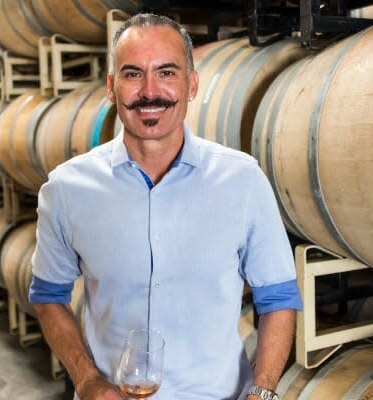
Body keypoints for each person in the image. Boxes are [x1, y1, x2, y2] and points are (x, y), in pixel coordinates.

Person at [29, 13, 302, 400]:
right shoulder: (66, 189)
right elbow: (47, 296)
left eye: (167, 72)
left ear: (192, 84)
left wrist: (264, 389)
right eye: (133, 74)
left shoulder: (243, 180)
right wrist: (87, 379)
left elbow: (277, 297)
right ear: (111, 87)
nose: (150, 91)